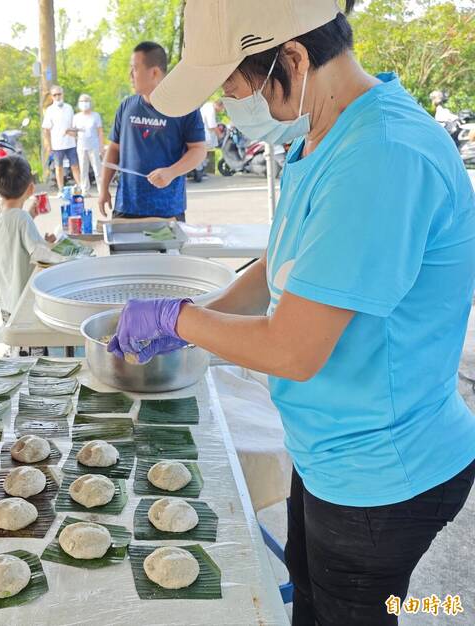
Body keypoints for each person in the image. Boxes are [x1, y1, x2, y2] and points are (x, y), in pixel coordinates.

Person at [110, 1, 475, 624]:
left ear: (295, 58)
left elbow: (291, 350)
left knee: (350, 610)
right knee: (308, 600)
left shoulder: (381, 157)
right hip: (329, 451)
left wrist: (178, 321)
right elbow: (280, 265)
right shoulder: (323, 133)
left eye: (236, 87)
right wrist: (201, 314)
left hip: (383, 470)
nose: (232, 108)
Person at [98, 41, 206, 221]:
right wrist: (103, 188)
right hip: (126, 207)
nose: (130, 75)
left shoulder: (183, 107)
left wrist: (171, 172)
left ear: (154, 72)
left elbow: (198, 150)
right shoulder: (127, 107)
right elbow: (114, 149)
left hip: (168, 210)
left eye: (134, 69)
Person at [0, 155, 56, 327]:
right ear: (31, 188)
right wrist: (52, 246)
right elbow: (42, 256)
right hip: (23, 301)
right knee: (29, 347)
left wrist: (31, 215)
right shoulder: (22, 219)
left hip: (6, 300)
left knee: (14, 345)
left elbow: (11, 236)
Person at [42, 85, 81, 195]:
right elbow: (46, 130)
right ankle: (61, 189)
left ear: (62, 94)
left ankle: (80, 187)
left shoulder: (69, 108)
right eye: (55, 95)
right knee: (58, 167)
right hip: (57, 144)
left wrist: (75, 136)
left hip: (71, 143)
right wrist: (48, 146)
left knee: (75, 166)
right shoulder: (49, 110)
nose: (57, 96)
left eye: (59, 94)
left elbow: (74, 125)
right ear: (52, 96)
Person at [70, 93, 104, 196]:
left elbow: (100, 132)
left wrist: (101, 146)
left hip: (94, 145)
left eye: (86, 101)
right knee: (83, 169)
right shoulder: (76, 117)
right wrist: (68, 132)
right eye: (82, 101)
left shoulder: (96, 116)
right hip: (81, 146)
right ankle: (85, 190)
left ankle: (101, 189)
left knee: (97, 169)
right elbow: (73, 132)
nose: (84, 103)